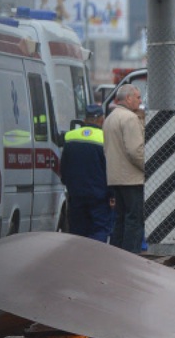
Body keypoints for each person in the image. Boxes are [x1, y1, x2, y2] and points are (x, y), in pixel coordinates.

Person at [60, 104, 113, 243]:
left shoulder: (70, 136)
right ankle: (94, 261)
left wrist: (67, 184)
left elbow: (64, 165)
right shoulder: (105, 138)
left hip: (76, 193)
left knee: (77, 231)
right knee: (99, 229)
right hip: (98, 195)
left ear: (84, 120)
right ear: (102, 120)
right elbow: (109, 168)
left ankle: (78, 260)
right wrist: (112, 194)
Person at [103, 84, 145, 253]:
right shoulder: (130, 118)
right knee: (134, 220)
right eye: (138, 97)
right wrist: (150, 168)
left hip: (115, 177)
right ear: (128, 98)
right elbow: (136, 150)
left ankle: (116, 255)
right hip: (132, 178)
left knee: (120, 219)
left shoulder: (110, 118)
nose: (140, 101)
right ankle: (130, 257)